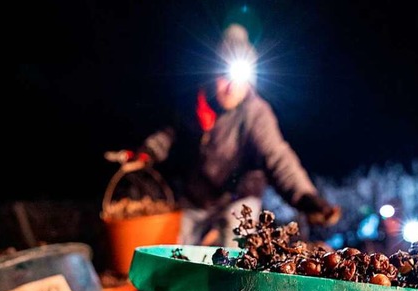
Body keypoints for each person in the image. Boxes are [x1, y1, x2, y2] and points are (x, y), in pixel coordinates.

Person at [129, 23, 341, 247]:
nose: (231, 88)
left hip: (239, 198)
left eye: (238, 79)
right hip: (197, 199)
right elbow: (169, 135)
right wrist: (147, 152)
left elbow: (277, 156)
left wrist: (305, 196)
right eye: (224, 77)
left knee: (235, 246)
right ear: (211, 76)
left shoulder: (255, 112)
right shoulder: (197, 106)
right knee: (175, 249)